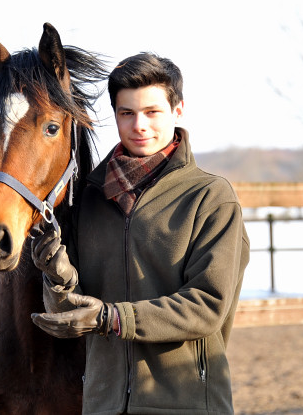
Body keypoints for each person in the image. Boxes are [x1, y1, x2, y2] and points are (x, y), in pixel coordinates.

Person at [31, 52, 250, 414]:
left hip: (186, 404)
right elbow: (72, 312)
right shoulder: (89, 197)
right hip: (104, 405)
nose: (139, 126)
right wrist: (58, 278)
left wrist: (113, 318)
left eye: (152, 112)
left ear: (178, 110)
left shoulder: (210, 197)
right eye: (126, 113)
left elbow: (208, 305)